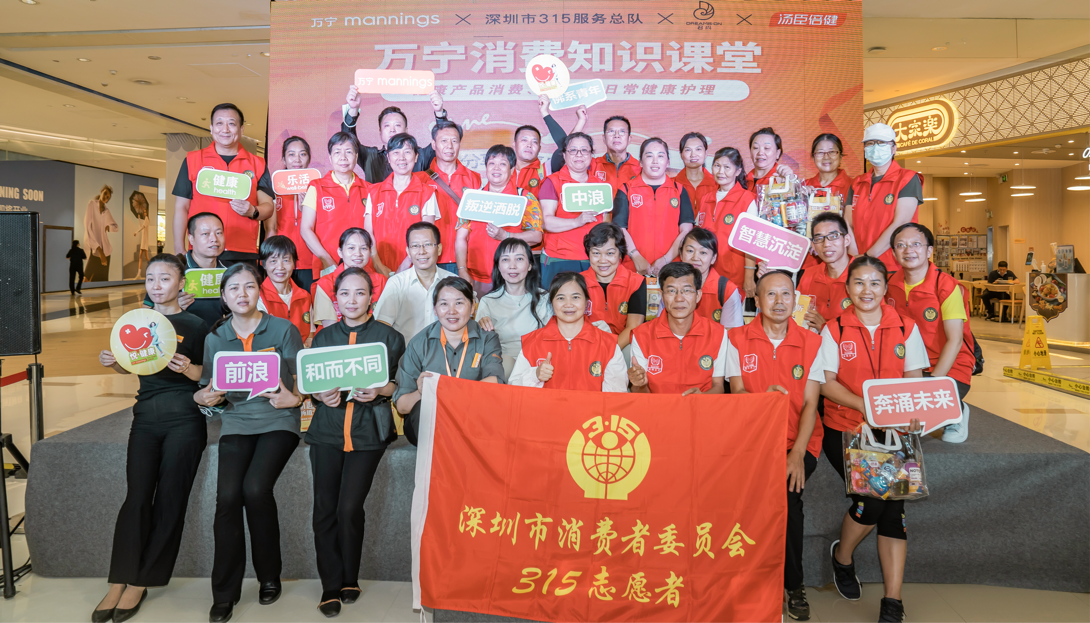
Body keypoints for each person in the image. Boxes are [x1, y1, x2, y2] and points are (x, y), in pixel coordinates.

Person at [92, 254, 209, 623]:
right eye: (151, 279)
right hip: (145, 419)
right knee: (137, 498)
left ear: (181, 283)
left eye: (165, 278)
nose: (157, 286)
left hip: (185, 421)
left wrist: (189, 369)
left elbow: (209, 376)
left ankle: (142, 581)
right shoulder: (137, 321)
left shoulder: (197, 326)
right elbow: (136, 365)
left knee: (170, 499)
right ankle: (119, 578)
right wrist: (115, 362)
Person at [817, 255, 928, 623]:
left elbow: (913, 380)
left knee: (894, 511)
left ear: (885, 288)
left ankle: (893, 602)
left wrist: (912, 412)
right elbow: (827, 384)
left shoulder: (906, 327)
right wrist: (867, 405)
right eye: (859, 283)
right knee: (873, 500)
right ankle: (842, 558)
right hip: (846, 427)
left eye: (875, 283)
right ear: (847, 288)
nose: (867, 290)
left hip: (894, 432)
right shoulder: (834, 329)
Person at [194, 263, 304, 622]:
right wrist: (204, 398)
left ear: (260, 291)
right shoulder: (215, 338)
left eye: (249, 287)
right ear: (224, 297)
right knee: (227, 497)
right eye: (234, 288)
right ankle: (224, 593)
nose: (242, 294)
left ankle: (269, 575)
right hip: (237, 422)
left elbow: (302, 379)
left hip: (278, 420)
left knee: (255, 488)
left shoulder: (283, 329)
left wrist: (296, 398)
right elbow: (210, 388)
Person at [304, 268, 405, 617]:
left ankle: (350, 577)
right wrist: (320, 395)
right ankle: (330, 585)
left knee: (349, 508)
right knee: (324, 509)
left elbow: (399, 385)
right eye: (345, 293)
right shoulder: (324, 337)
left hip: (367, 432)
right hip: (327, 432)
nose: (352, 300)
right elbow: (312, 386)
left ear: (371, 298)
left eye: (360, 293)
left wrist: (380, 389)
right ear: (336, 300)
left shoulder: (389, 338)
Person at [726, 270, 825, 622]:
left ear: (795, 300)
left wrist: (797, 453)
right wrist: (761, 400)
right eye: (770, 294)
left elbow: (811, 404)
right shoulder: (735, 339)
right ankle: (748, 578)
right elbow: (737, 392)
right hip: (750, 441)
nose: (779, 301)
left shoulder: (813, 343)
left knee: (787, 497)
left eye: (786, 294)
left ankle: (793, 584)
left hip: (797, 440)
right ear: (757, 300)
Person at [887, 223, 975, 443]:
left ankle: (956, 411)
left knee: (919, 418)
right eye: (901, 245)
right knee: (899, 425)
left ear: (929, 251)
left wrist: (933, 386)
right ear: (894, 253)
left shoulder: (946, 286)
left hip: (949, 366)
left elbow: (955, 341)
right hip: (908, 366)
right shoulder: (889, 285)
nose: (908, 250)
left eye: (916, 244)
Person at [393, 276, 505, 445]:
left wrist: (446, 390)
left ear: (472, 307)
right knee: (421, 410)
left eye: (459, 303)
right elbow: (402, 406)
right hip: (431, 422)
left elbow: (495, 383)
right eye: (444, 304)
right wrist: (422, 392)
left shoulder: (487, 339)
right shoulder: (418, 343)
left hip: (472, 415)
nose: (451, 311)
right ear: (435, 309)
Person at [172, 103, 274, 265]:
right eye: (219, 123)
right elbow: (181, 207)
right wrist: (179, 249)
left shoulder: (258, 164)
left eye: (231, 123)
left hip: (243, 251)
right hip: (202, 251)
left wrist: (252, 211)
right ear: (211, 128)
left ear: (241, 129)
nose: (225, 129)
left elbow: (268, 206)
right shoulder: (193, 160)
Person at [508, 272, 626, 391]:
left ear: (586, 302)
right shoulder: (533, 342)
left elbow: (616, 395)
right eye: (560, 298)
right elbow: (514, 390)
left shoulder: (607, 344)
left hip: (593, 404)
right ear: (551, 303)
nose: (568, 304)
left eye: (575, 297)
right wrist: (535, 375)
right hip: (546, 404)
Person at [456, 145, 544, 296]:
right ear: (486, 168)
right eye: (492, 163)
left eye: (503, 164)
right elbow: (461, 238)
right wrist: (462, 270)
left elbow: (537, 236)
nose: (496, 168)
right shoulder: (473, 198)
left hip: (513, 278)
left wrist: (506, 236)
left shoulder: (525, 198)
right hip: (476, 278)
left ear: (512, 169)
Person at [628, 262, 728, 395]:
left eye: (686, 290)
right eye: (671, 291)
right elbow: (640, 394)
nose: (679, 298)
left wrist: (702, 397)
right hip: (659, 407)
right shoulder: (642, 335)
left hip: (701, 406)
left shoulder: (717, 334)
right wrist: (639, 385)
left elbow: (718, 386)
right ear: (662, 295)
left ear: (698, 295)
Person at [612, 137, 695, 275]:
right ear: (640, 161)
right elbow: (619, 228)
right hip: (634, 268)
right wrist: (636, 256)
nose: (655, 161)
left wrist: (666, 259)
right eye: (649, 156)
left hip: (672, 268)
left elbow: (686, 230)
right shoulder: (626, 189)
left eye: (660, 156)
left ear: (668, 161)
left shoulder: (679, 190)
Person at [846, 123, 923, 271]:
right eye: (870, 143)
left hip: (894, 265)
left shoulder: (907, 179)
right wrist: (855, 256)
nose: (875, 147)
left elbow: (901, 223)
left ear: (894, 148)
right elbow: (848, 223)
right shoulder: (857, 183)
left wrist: (869, 256)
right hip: (860, 265)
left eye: (881, 143)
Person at [537, 132, 609, 287]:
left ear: (591, 155)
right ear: (564, 155)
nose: (579, 155)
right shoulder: (552, 182)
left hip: (593, 259)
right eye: (573, 150)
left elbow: (606, 223)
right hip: (559, 258)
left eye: (584, 150)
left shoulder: (600, 185)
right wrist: (577, 221)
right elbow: (546, 222)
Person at [365, 133, 441, 275]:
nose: (402, 158)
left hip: (414, 269)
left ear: (416, 157)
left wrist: (405, 266)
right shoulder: (374, 191)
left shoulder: (427, 193)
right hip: (377, 269)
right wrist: (378, 264)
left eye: (407, 152)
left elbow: (426, 235)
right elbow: (368, 232)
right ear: (388, 158)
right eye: (396, 153)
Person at [475, 238, 552, 376]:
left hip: (536, 362)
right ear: (498, 266)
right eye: (505, 259)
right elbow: (480, 344)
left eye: (519, 259)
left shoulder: (545, 298)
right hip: (502, 363)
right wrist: (481, 327)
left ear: (530, 265)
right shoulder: (488, 301)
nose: (512, 266)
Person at [299, 132, 370, 278]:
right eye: (337, 152)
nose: (343, 157)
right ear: (330, 158)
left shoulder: (369, 190)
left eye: (348, 152)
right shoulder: (316, 187)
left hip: (363, 266)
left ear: (356, 157)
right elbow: (305, 229)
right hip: (328, 265)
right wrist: (327, 260)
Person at [340, 87, 448, 182]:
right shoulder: (370, 157)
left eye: (397, 125)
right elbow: (347, 141)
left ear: (406, 131)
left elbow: (443, 141)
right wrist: (353, 110)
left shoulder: (421, 155)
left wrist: (439, 113)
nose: (392, 130)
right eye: (387, 126)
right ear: (380, 132)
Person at [373, 222, 455, 343]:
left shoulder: (454, 282)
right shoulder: (396, 284)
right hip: (406, 353)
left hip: (445, 353)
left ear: (439, 249)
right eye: (415, 246)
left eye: (428, 244)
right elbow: (381, 325)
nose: (421, 251)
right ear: (408, 251)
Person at [143, 212, 227, 327]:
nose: (214, 239)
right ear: (191, 239)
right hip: (178, 335)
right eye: (205, 234)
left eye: (219, 233)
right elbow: (145, 314)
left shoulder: (230, 271)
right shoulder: (172, 268)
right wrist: (172, 307)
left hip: (217, 335)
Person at [694, 147, 759, 295]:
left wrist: (749, 277)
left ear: (738, 171)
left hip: (734, 275)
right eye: (717, 166)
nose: (720, 171)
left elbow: (751, 244)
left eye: (727, 167)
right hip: (706, 274)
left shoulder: (747, 199)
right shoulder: (706, 199)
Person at [426, 120, 481, 273]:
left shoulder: (474, 178)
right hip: (431, 259)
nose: (449, 146)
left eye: (454, 141)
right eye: (444, 141)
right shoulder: (421, 180)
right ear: (433, 144)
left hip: (466, 260)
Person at [580, 223, 645, 352]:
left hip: (621, 345)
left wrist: (610, 352)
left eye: (610, 253)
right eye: (596, 253)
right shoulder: (578, 282)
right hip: (587, 345)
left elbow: (633, 327)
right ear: (588, 254)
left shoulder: (636, 282)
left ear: (620, 254)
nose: (603, 260)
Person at [266, 136, 316, 292]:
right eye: (291, 154)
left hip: (310, 259)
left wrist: (306, 209)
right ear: (284, 159)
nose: (297, 160)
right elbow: (271, 228)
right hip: (281, 260)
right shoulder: (275, 187)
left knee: (309, 303)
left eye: (302, 154)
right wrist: (268, 259)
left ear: (309, 158)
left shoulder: (317, 187)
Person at [312, 228, 387, 331]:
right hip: (335, 339)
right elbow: (330, 329)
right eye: (351, 248)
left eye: (364, 248)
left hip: (373, 337)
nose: (358, 253)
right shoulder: (325, 284)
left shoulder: (382, 281)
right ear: (340, 252)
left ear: (370, 251)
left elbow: (385, 322)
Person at [796, 213, 855, 332]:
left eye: (833, 236)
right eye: (819, 239)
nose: (826, 244)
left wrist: (825, 327)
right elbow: (797, 319)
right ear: (813, 245)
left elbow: (871, 329)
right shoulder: (807, 276)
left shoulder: (863, 277)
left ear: (847, 240)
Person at [677, 227, 744, 328]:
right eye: (690, 251)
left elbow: (732, 333)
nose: (695, 257)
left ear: (713, 258)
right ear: (681, 254)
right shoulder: (671, 285)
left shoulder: (727, 290)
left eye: (703, 253)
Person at [257, 235, 313, 344]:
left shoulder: (305, 296)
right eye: (273, 261)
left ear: (294, 263)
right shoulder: (258, 296)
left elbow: (310, 334)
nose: (280, 267)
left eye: (286, 260)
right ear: (263, 264)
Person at [595, 115, 641, 191]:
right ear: (604, 138)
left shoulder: (640, 168)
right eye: (611, 131)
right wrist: (581, 121)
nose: (616, 135)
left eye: (622, 132)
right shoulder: (593, 165)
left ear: (629, 139)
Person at [804, 134, 853, 204]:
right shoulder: (803, 186)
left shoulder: (854, 186)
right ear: (813, 157)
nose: (826, 157)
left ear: (840, 156)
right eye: (820, 152)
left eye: (832, 152)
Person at [85, 184, 119, 282]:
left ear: (107, 200)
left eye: (108, 197)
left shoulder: (107, 212)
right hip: (96, 251)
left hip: (106, 252)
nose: (105, 197)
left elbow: (116, 227)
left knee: (101, 282)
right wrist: (100, 251)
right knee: (86, 279)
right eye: (105, 194)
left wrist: (109, 228)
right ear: (101, 192)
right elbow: (88, 228)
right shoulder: (91, 204)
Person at [674, 132, 717, 210]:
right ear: (681, 155)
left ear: (706, 153)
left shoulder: (717, 184)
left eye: (698, 149)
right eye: (688, 150)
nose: (693, 155)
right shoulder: (672, 185)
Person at [130, 190, 154, 279]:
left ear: (147, 213)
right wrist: (139, 219)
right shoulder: (144, 220)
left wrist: (136, 232)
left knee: (146, 257)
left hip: (145, 240)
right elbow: (141, 226)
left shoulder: (147, 219)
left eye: (145, 212)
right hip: (143, 240)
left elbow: (142, 228)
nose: (144, 213)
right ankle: (139, 274)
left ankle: (152, 270)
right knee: (141, 256)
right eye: (143, 212)